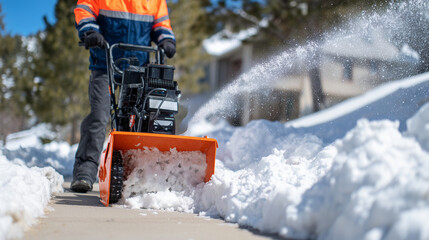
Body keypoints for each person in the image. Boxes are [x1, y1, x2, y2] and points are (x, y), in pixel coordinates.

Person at [71, 0, 176, 193]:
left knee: (143, 117)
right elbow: (84, 9)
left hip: (139, 67)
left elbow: (161, 24)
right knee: (99, 116)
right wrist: (90, 31)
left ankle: (140, 174)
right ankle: (85, 172)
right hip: (105, 62)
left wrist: (166, 40)